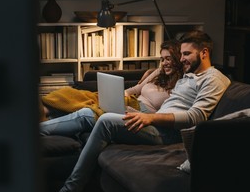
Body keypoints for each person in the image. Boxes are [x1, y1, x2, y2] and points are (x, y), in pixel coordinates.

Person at [45, 30, 231, 192]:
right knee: (100, 112)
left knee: (105, 121)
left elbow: (195, 117)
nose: (181, 59)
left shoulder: (214, 79)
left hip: (170, 134)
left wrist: (150, 118)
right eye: (181, 54)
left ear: (204, 52)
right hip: (157, 122)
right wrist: (140, 111)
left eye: (186, 54)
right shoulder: (190, 75)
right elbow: (170, 104)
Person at [40, 39, 183, 138]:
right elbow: (137, 88)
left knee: (87, 113)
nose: (164, 63)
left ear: (178, 58)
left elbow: (166, 115)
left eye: (168, 59)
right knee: (70, 94)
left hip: (140, 111)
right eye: (162, 59)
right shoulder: (159, 72)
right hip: (128, 100)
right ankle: (44, 113)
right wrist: (116, 95)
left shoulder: (183, 84)